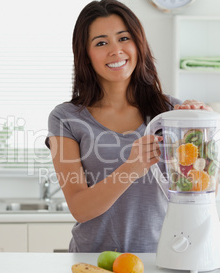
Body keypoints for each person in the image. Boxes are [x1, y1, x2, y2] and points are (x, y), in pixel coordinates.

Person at [46, 0, 210, 253]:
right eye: (101, 43)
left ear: (138, 44)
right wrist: (132, 167)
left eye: (124, 38)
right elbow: (80, 208)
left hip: (165, 259)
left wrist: (202, 133)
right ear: (86, 56)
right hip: (94, 264)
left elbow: (200, 194)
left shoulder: (173, 113)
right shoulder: (66, 118)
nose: (115, 50)